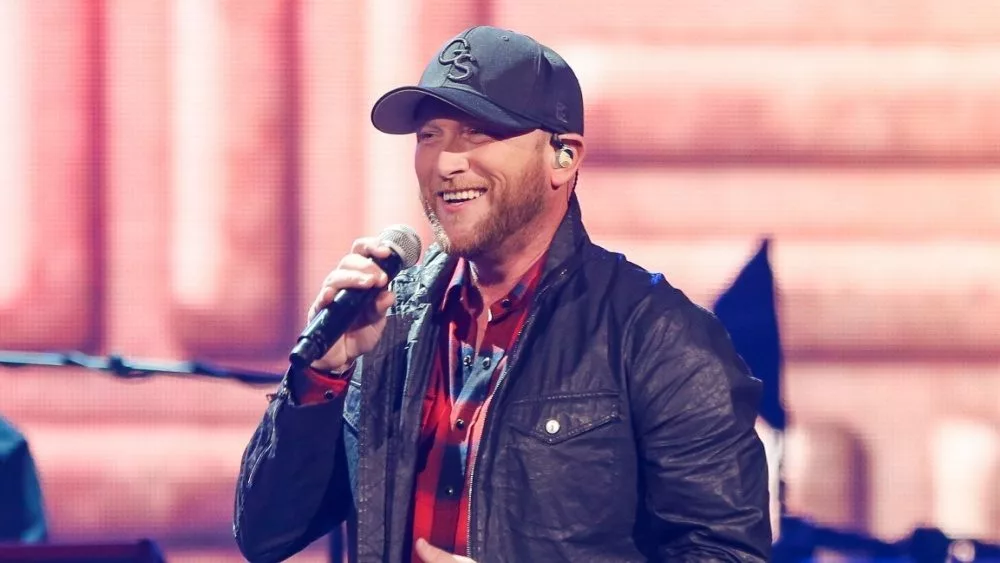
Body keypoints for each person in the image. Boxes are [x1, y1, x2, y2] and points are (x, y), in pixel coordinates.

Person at [234, 25, 771, 563]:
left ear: (563, 156)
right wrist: (320, 374)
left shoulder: (658, 338)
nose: (446, 163)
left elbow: (727, 555)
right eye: (429, 135)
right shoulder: (386, 321)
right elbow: (266, 535)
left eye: (478, 133)